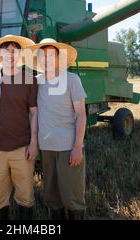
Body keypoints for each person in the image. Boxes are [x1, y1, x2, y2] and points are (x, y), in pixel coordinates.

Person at [24, 38, 87, 220]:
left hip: (68, 146)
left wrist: (77, 146)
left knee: (72, 195)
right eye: (43, 55)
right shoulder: (36, 82)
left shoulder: (71, 80)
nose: (47, 59)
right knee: (51, 196)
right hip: (46, 147)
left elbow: (81, 114)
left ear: (59, 58)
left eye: (51, 54)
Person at [0, 35, 38, 220]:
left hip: (22, 147)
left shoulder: (29, 80)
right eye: (6, 50)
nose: (11, 54)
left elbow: (34, 113)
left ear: (20, 54)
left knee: (25, 196)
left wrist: (33, 142)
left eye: (15, 50)